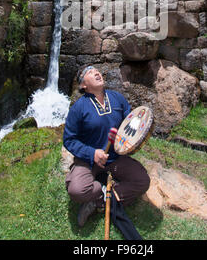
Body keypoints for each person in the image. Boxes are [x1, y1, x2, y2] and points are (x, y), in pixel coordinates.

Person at [63, 65, 150, 227]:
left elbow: (131, 125)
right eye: (90, 71)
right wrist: (92, 153)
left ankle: (98, 202)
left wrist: (135, 134)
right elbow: (69, 139)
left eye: (97, 70)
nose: (96, 72)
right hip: (88, 161)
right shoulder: (78, 108)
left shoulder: (118, 99)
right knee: (77, 190)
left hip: (116, 158)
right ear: (83, 85)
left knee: (142, 181)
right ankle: (104, 194)